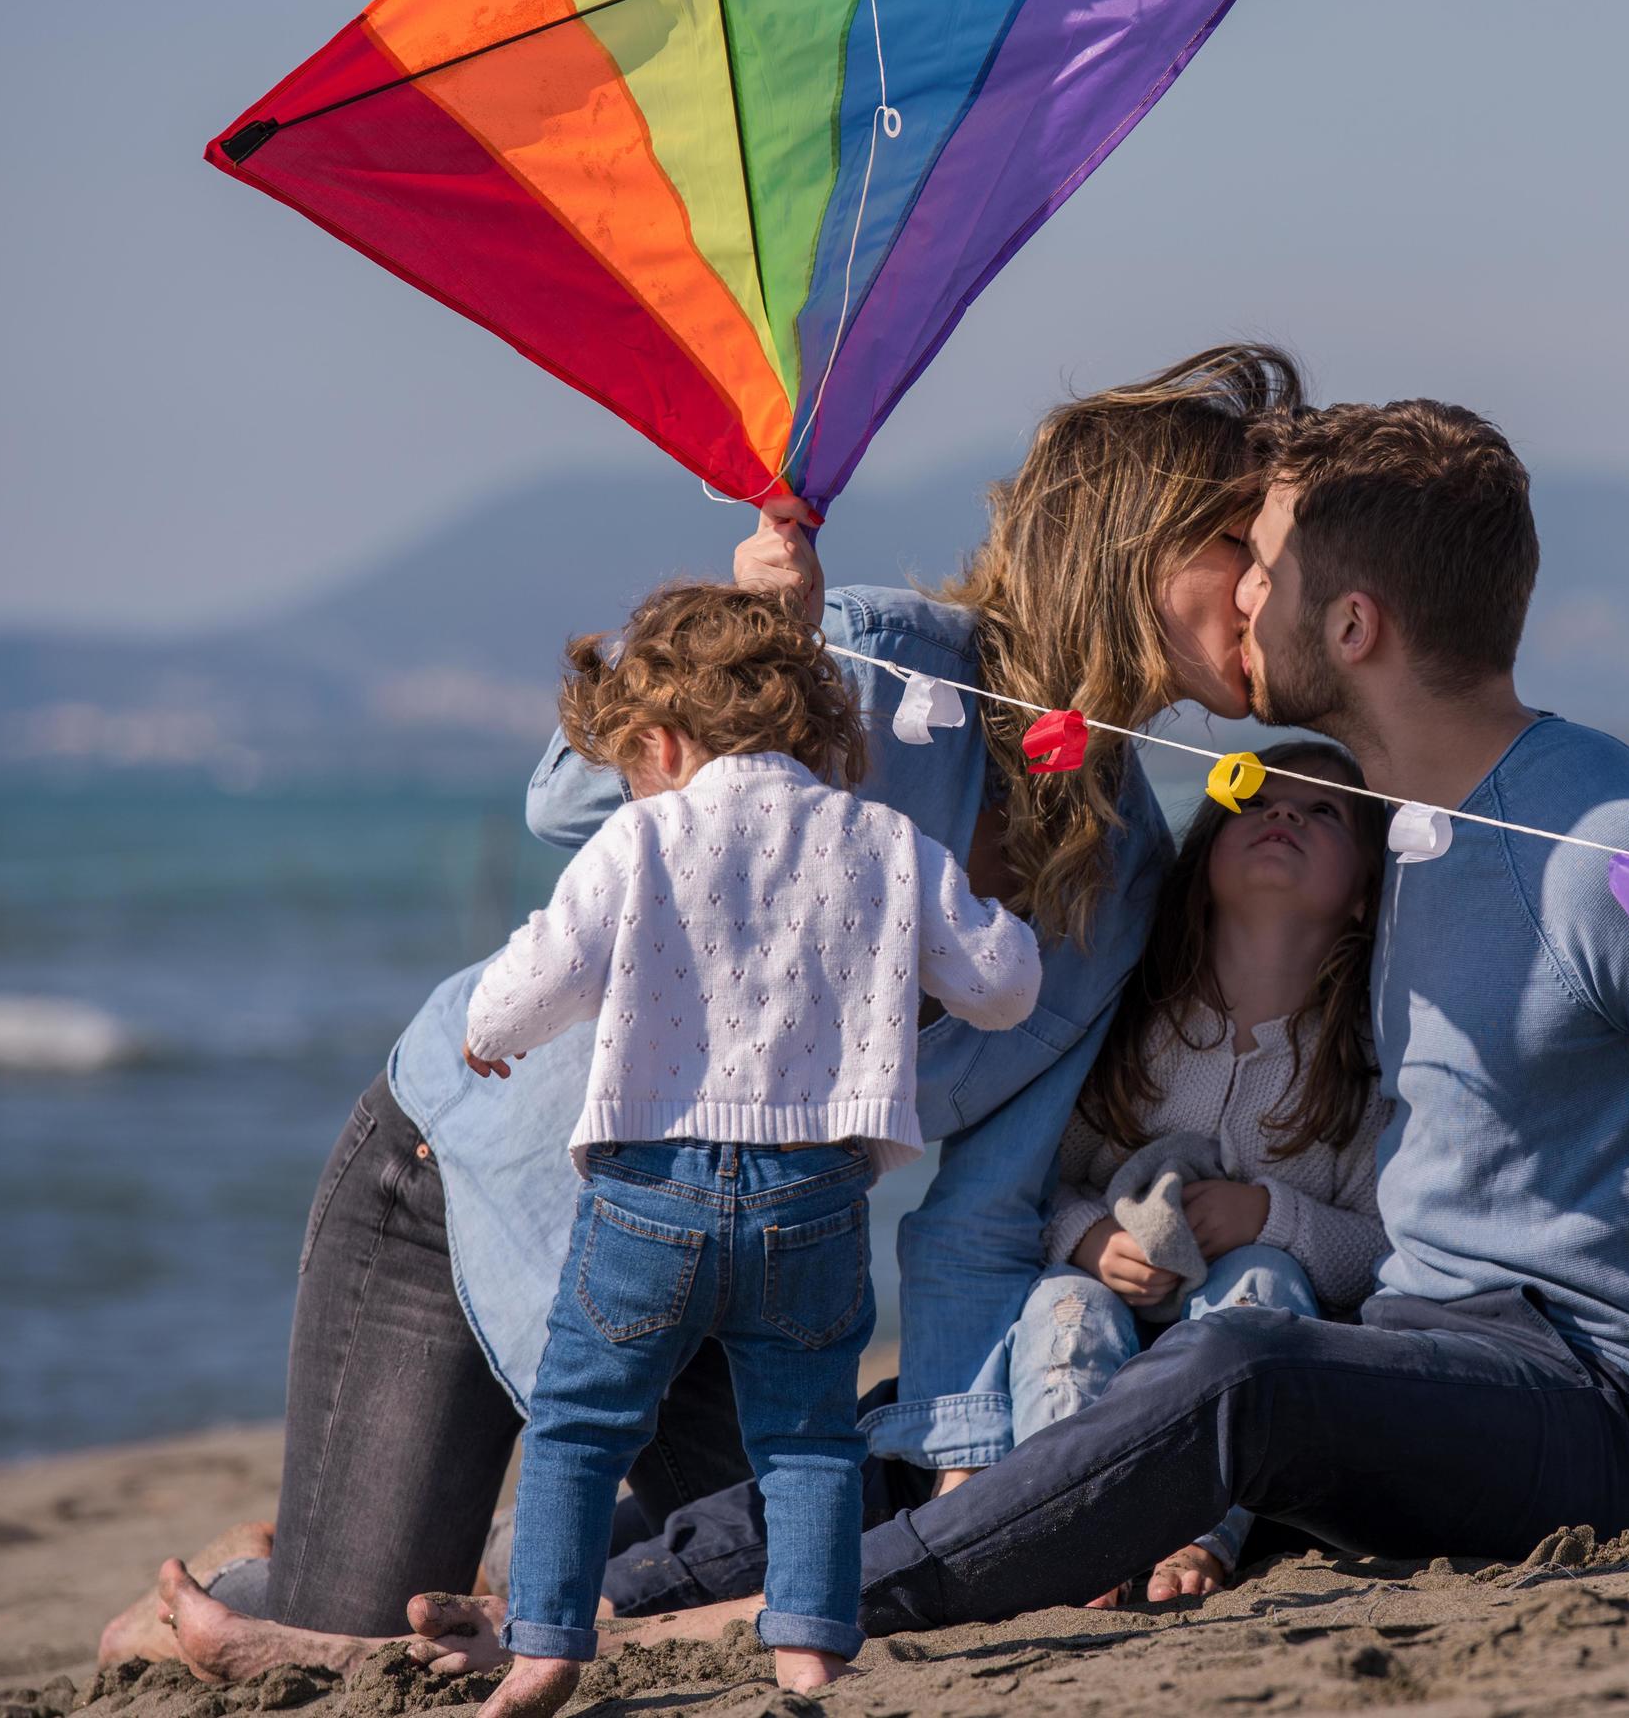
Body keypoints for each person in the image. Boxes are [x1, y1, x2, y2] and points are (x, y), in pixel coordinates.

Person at [383, 392, 1629, 1668]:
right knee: (922, 1417)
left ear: (1348, 617)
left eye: (1255, 567)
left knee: (1231, 1389)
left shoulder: (1624, 859)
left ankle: (792, 1619)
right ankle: (570, 1598)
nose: (1223, 602)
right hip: (1400, 1343)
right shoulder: (1353, 836)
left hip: (1615, 1409)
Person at [112, 346, 1307, 1678]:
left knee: (821, 1526)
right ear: (1127, 544)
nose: (1272, 590)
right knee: (336, 1632)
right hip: (474, 1183)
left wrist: (973, 1468)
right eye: (1237, 548)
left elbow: (982, 1211)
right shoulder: (856, 658)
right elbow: (563, 811)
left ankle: (430, 1542)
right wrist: (748, 664)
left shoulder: (1129, 880)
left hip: (742, 1286)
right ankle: (244, 1579)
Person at [458, 583, 1041, 1706]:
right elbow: (1002, 989)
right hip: (813, 1197)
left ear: (664, 742)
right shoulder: (883, 839)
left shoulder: (641, 836)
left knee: (581, 1421)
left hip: (650, 1193)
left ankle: (542, 1647)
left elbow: (543, 965)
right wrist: (1006, 914)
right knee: (812, 1436)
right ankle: (810, 1647)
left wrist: (488, 1031)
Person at [1015, 739, 1392, 1603]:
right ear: (1208, 845)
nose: (1282, 813)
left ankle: (1196, 1528)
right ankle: (1062, 1524)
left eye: (1323, 811)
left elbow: (1381, 1251)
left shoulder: (1364, 1063)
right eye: (1253, 797)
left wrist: (1270, 1217)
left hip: (1264, 1354)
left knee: (1261, 1275)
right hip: (1114, 1313)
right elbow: (1029, 1193)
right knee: (1058, 1303)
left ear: (1367, 891)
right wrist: (1088, 1239)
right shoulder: (1134, 1022)